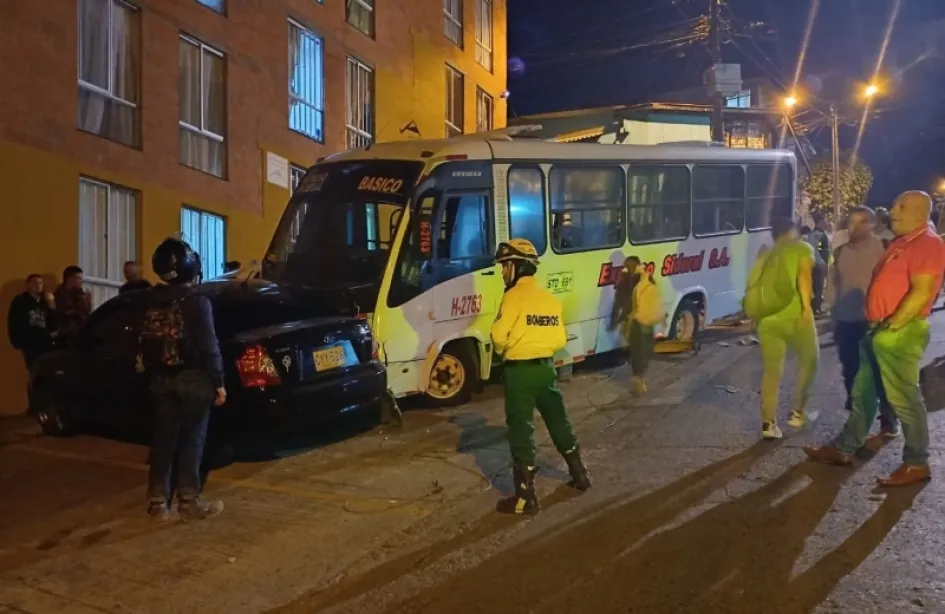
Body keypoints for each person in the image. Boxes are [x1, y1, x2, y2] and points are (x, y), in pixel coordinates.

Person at [805, 191, 945, 487]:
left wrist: (892, 325)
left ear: (921, 214)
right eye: (894, 205)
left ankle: (916, 462)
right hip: (878, 329)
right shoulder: (902, 242)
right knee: (863, 392)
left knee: (904, 398)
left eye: (901, 207)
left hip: (898, 333)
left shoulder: (929, 243)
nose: (893, 211)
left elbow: (921, 291)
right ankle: (844, 448)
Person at [490, 238, 591, 515]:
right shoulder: (548, 299)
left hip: (519, 372)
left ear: (515, 267)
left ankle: (525, 499)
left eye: (504, 266)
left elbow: (498, 336)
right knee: (558, 418)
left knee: (522, 430)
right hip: (546, 369)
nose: (502, 272)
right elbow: (559, 338)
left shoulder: (512, 297)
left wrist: (507, 347)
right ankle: (580, 475)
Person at [141, 237, 226, 522]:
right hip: (193, 379)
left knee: (163, 440)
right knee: (192, 439)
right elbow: (208, 344)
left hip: (161, 380)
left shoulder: (151, 299)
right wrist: (218, 382)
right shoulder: (196, 302)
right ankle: (189, 502)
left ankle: (157, 503)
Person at [825, 207, 900, 437]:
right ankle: (857, 417)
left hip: (877, 321)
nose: (855, 227)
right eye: (851, 222)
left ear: (872, 224)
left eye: (861, 222)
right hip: (847, 321)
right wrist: (833, 316)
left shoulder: (885, 249)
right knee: (851, 370)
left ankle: (888, 419)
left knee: (882, 371)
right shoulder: (839, 252)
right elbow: (832, 285)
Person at [754, 217, 819, 440]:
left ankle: (768, 423)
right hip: (794, 317)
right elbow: (804, 276)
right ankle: (796, 412)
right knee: (809, 360)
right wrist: (807, 309)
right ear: (793, 230)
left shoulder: (766, 253)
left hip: (767, 320)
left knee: (772, 371)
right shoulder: (802, 248)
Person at [7, 274, 56, 369]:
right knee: (34, 369)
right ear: (28, 285)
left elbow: (54, 322)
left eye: (41, 283)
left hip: (45, 342)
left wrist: (52, 307)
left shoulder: (45, 301)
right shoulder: (20, 301)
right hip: (30, 342)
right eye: (35, 283)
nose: (38, 285)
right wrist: (18, 341)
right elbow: (14, 322)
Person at [54, 265, 91, 345]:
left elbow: (86, 313)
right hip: (68, 332)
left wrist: (88, 303)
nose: (81, 281)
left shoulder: (80, 293)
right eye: (79, 278)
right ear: (69, 279)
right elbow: (66, 313)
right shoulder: (61, 293)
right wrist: (82, 304)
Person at [808, 214, 831, 314]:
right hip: (818, 265)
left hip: (821, 264)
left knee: (819, 286)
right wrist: (820, 262)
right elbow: (816, 249)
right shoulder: (817, 235)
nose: (826, 223)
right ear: (820, 223)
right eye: (824, 221)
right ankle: (815, 307)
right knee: (817, 286)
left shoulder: (821, 234)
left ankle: (817, 306)